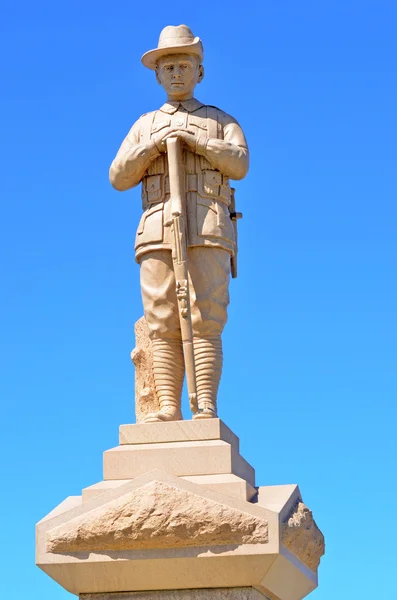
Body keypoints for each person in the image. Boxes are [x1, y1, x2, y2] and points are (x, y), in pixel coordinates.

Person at [109, 25, 249, 422]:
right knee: (161, 319)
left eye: (183, 65)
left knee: (206, 316)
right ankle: (168, 406)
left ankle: (205, 403)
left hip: (208, 228)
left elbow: (240, 163)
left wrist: (197, 140)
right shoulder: (145, 124)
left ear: (199, 72)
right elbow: (118, 176)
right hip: (157, 229)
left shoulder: (220, 120)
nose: (175, 73)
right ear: (157, 75)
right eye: (167, 66)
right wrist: (154, 144)